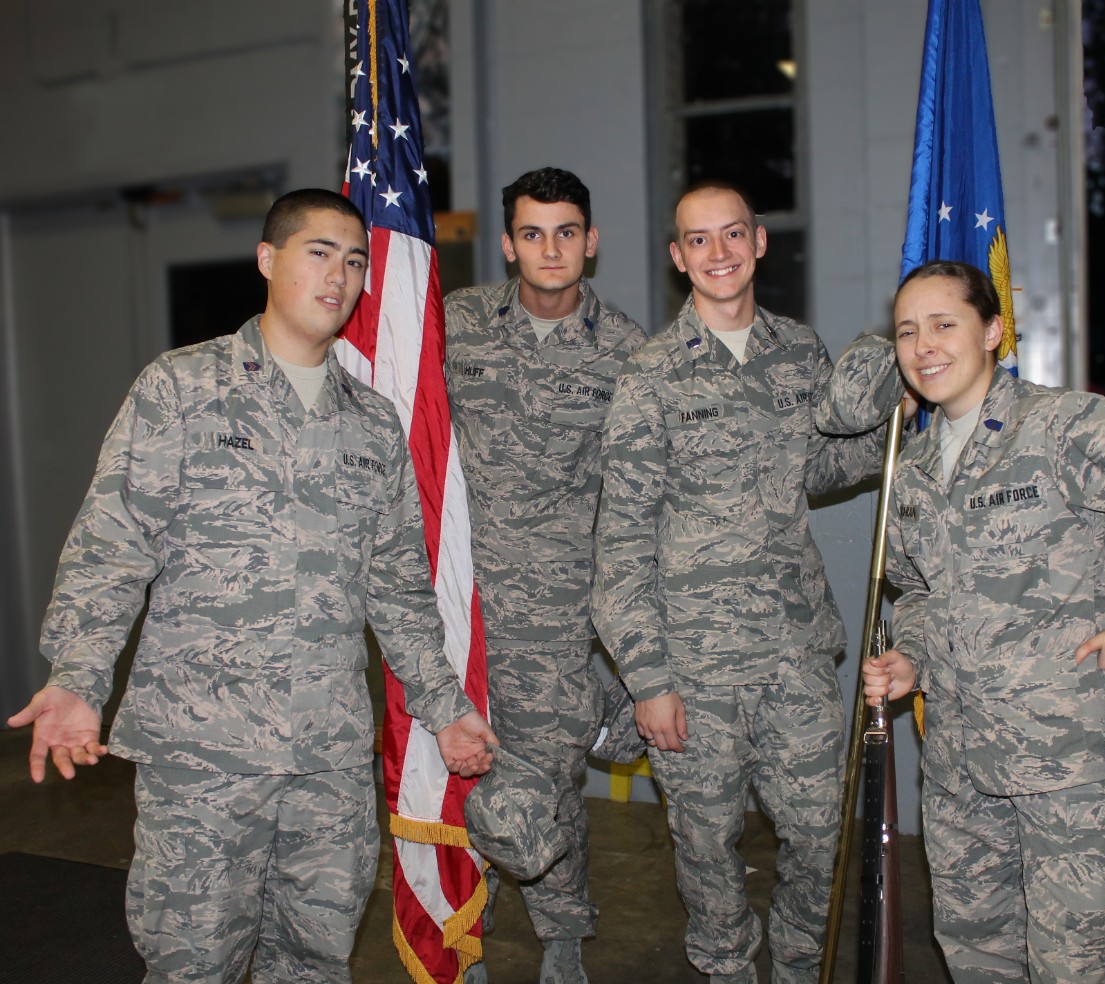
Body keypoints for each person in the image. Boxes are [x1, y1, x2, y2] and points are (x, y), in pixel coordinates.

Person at [7, 188, 497, 983]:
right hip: (204, 760)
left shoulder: (372, 425)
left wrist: (444, 709)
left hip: (327, 766)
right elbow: (112, 545)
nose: (338, 275)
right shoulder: (182, 390)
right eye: (317, 252)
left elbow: (400, 593)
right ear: (268, 260)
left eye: (354, 260)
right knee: (192, 964)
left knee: (313, 963)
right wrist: (77, 676)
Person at [819, 260, 1105, 983]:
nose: (924, 345)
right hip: (961, 770)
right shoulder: (916, 465)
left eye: (944, 324)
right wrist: (913, 658)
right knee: (977, 955)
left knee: (1076, 963)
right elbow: (922, 592)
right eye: (907, 331)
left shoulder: (1061, 428)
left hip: (1068, 769)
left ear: (992, 330)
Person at [590, 182, 889, 984]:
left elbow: (822, 468)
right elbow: (619, 543)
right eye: (698, 239)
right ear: (676, 256)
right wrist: (648, 680)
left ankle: (797, 968)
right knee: (706, 847)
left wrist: (896, 407)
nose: (717, 253)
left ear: (759, 242)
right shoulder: (650, 374)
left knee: (821, 834)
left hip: (795, 654)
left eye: (732, 235)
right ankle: (726, 971)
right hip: (694, 669)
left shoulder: (800, 351)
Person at [443, 167, 646, 984]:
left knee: (554, 775)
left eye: (567, 232)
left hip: (564, 601)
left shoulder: (628, 351)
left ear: (591, 242)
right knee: (454, 764)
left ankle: (562, 939)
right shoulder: (455, 325)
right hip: (460, 600)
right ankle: (464, 922)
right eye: (533, 233)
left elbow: (639, 491)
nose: (550, 248)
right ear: (507, 243)